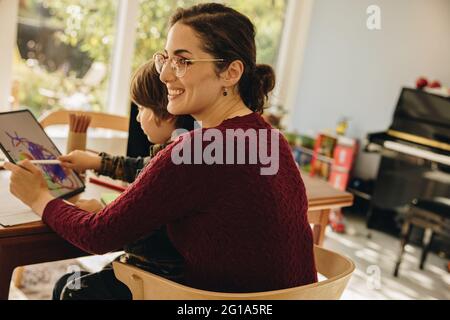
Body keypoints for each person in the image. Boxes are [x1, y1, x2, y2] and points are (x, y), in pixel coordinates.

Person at [5, 3, 317, 298]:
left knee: (74, 288)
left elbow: (97, 236)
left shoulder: (196, 151)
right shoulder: (271, 139)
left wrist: (37, 197)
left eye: (183, 61)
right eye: (165, 58)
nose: (165, 74)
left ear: (230, 73)